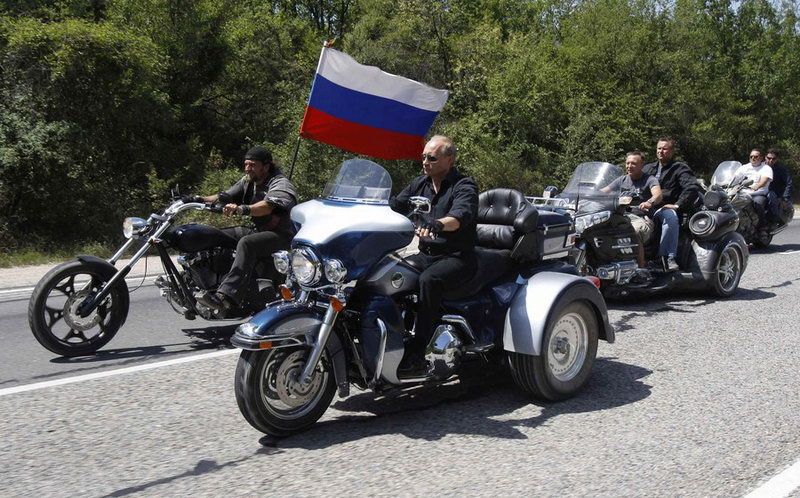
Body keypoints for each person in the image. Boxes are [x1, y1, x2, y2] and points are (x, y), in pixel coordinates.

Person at [390, 135, 479, 374]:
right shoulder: (420, 184)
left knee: (429, 280)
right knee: (391, 273)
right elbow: (396, 205)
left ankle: (419, 351)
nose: (425, 162)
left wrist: (437, 224)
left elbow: (460, 216)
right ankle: (391, 338)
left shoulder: (464, 186)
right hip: (425, 254)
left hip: (456, 257)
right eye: (423, 157)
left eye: (432, 158)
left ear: (449, 160)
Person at [195, 145, 298, 311]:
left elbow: (267, 207)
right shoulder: (248, 180)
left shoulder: (281, 183)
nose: (248, 168)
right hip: (259, 230)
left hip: (280, 236)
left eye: (253, 165)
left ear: (266, 166)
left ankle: (226, 296)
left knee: (247, 243)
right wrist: (198, 199)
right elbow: (225, 196)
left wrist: (243, 209)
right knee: (215, 235)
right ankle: (201, 283)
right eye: (246, 164)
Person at [642, 137, 700, 272]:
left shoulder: (679, 168)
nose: (661, 151)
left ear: (672, 151)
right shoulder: (647, 168)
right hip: (644, 207)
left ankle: (666, 258)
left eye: (665, 149)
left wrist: (677, 205)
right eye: (659, 148)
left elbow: (691, 188)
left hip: (664, 207)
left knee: (669, 216)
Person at [602, 151, 663, 267]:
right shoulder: (622, 180)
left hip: (641, 218)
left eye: (633, 163)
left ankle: (641, 267)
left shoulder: (649, 179)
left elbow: (658, 195)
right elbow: (602, 192)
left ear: (641, 165)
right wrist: (587, 194)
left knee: (632, 230)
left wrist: (649, 202)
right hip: (621, 216)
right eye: (627, 163)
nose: (629, 166)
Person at [734, 148, 772, 229]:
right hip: (743, 193)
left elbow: (764, 181)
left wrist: (757, 186)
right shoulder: (744, 167)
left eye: (756, 156)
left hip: (758, 194)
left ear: (761, 158)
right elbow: (734, 178)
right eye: (751, 156)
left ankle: (762, 227)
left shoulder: (766, 168)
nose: (753, 158)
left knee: (758, 203)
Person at [765, 148, 793, 225]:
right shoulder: (760, 167)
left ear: (777, 159)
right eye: (769, 158)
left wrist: (785, 198)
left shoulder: (781, 170)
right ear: (765, 157)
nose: (770, 160)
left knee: (771, 196)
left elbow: (789, 183)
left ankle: (773, 221)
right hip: (760, 192)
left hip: (776, 194)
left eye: (773, 159)